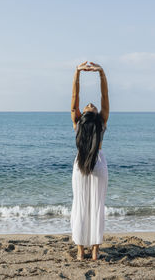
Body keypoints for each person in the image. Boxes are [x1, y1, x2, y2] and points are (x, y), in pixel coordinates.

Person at [70, 61, 109, 261]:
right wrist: (94, 73)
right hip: (98, 164)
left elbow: (78, 99)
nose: (90, 103)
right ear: (86, 113)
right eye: (88, 105)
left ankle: (82, 251)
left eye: (90, 105)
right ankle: (93, 250)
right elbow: (79, 98)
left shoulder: (78, 122)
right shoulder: (101, 122)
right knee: (95, 206)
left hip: (81, 165)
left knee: (81, 205)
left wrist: (80, 72)